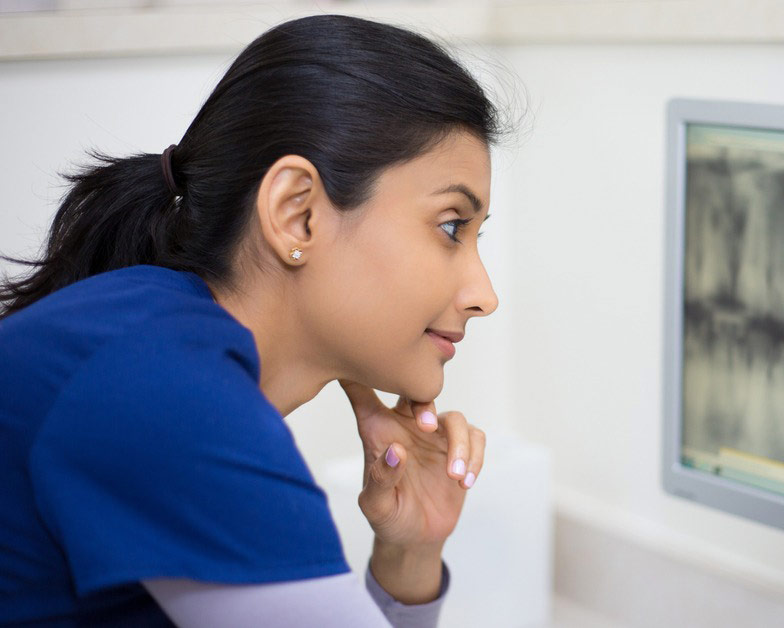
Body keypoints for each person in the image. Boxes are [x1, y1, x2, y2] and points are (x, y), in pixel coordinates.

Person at [0, 14, 501, 627]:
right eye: (451, 227)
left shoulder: (152, 341)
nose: (484, 295)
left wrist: (409, 554)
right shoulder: (164, 391)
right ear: (297, 215)